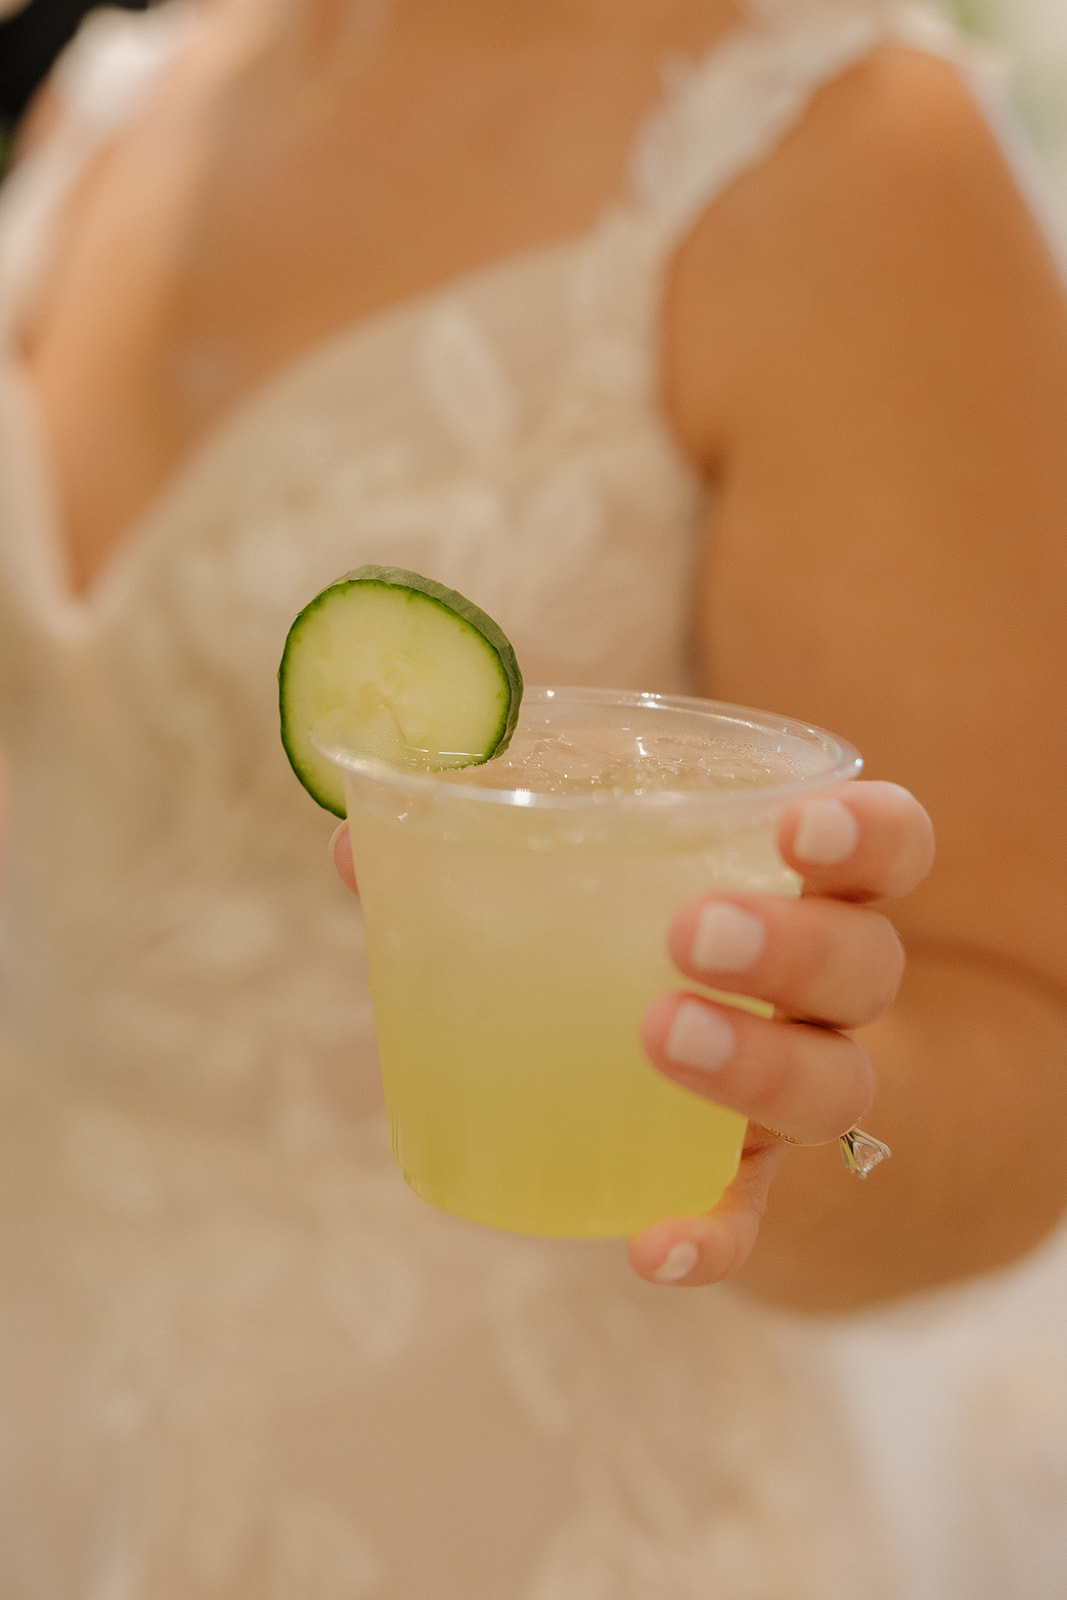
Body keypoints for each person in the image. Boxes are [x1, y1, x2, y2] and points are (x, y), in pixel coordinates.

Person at [0, 0, 1064, 1594]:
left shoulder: (842, 160)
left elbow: (1021, 1052)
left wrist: (794, 1110)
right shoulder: (101, 103)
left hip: (512, 1505)